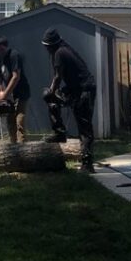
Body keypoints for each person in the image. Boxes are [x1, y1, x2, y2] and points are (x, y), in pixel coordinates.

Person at [41, 27, 96, 172]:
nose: (46, 50)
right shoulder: (64, 48)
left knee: (84, 127)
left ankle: (87, 163)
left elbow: (58, 77)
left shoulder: (59, 52)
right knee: (50, 99)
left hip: (84, 91)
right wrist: (53, 94)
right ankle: (59, 133)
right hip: (75, 89)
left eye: (46, 47)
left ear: (51, 45)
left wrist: (52, 91)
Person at [0, 35, 30, 143]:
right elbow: (0, 76)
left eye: (1, 48)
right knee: (10, 123)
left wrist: (4, 94)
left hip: (20, 93)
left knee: (19, 122)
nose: (0, 51)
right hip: (8, 94)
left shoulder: (14, 55)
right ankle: (13, 148)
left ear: (5, 46)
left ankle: (22, 150)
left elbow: (16, 77)